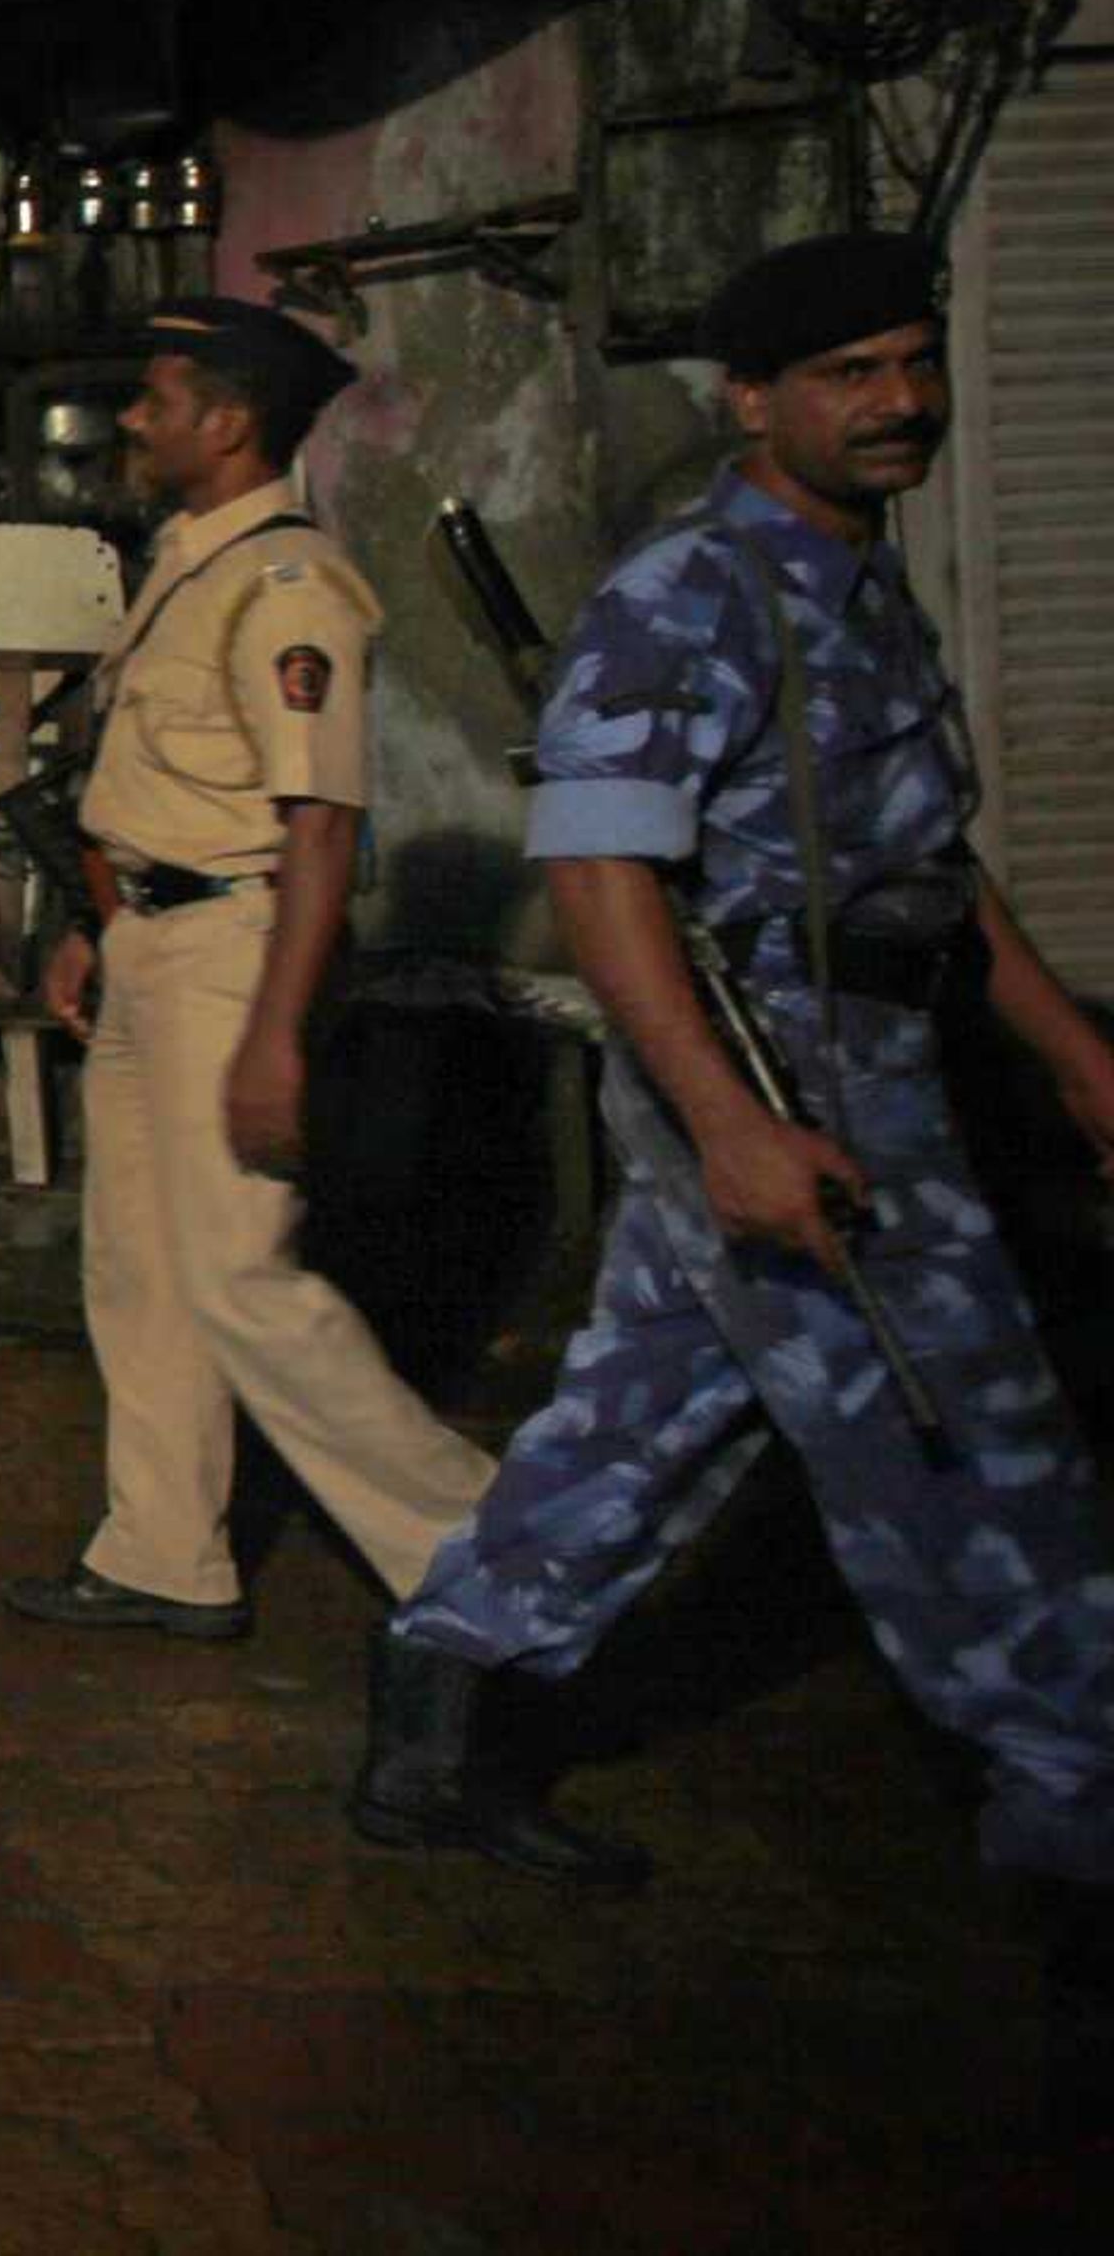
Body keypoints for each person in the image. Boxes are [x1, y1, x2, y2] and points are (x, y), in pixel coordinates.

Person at [357, 234, 1114, 1897]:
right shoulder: (687, 592)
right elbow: (602, 870)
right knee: (965, 1436)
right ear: (753, 401)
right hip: (773, 1060)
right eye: (851, 375)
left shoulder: (859, 579)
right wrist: (730, 1126)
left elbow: (924, 858)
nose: (900, 400)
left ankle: (435, 1713)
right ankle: (1075, 1806)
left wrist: (1066, 1051)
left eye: (914, 362)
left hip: (877, 1041)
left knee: (651, 1414)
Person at [6, 298, 494, 1643]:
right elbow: (162, 777)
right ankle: (163, 1550)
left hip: (236, 955)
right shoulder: (189, 556)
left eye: (159, 401)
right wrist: (96, 922)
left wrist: (277, 1037)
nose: (136, 422)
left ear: (226, 424)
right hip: (152, 941)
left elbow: (319, 825)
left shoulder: (292, 587)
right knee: (142, 1270)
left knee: (242, 1280)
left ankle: (488, 1552)